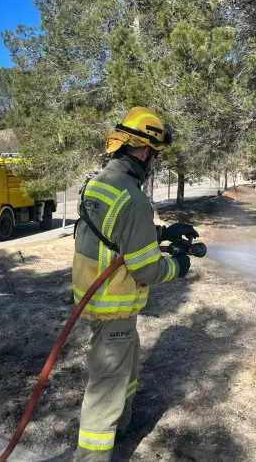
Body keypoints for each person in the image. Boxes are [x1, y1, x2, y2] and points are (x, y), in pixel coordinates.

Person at [72, 107, 198, 460]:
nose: (153, 161)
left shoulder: (96, 184)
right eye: (155, 155)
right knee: (106, 389)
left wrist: (163, 232)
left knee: (126, 367)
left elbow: (114, 234)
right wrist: (178, 265)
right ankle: (92, 455)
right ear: (144, 150)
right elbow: (145, 269)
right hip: (114, 306)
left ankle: (122, 424)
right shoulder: (134, 198)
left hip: (93, 299)